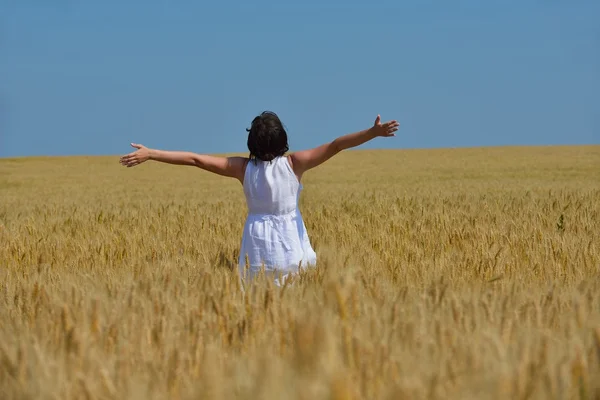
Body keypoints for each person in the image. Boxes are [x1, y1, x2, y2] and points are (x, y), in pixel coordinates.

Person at [119, 111, 399, 286]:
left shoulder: (243, 169)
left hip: (257, 245)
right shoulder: (294, 164)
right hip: (290, 243)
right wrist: (372, 133)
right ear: (283, 140)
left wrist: (151, 153)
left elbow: (194, 159)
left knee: (257, 296)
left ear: (251, 143)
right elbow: (337, 144)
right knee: (297, 291)